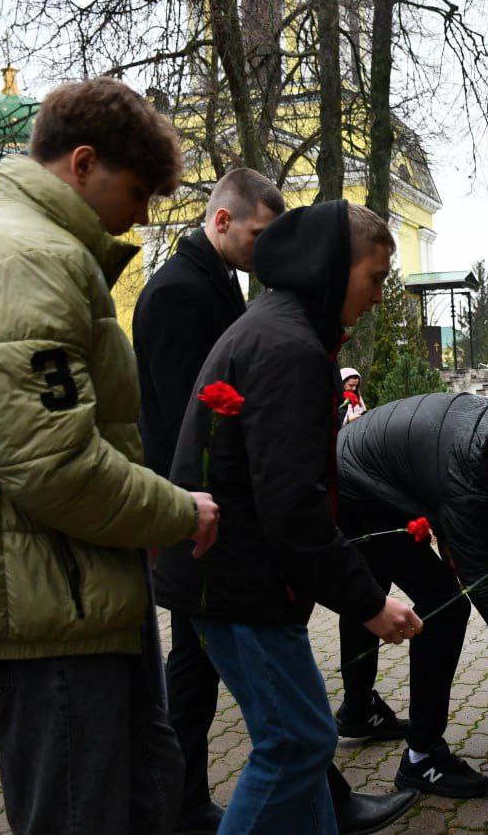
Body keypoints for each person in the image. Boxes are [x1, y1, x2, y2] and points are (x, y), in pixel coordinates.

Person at [0, 77, 220, 834]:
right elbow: (52, 464)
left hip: (50, 584)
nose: (142, 214)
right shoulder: (28, 260)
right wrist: (174, 508)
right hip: (45, 602)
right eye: (136, 191)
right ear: (84, 164)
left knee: (140, 783)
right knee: (79, 810)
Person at [136, 173, 414, 835]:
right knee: (295, 745)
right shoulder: (289, 348)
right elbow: (292, 505)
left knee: (304, 736)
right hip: (239, 578)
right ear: (334, 267)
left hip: (237, 575)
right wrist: (370, 603)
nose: (378, 296)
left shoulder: (281, 326)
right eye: (374, 278)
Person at [336, 395, 488, 798]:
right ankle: (422, 758)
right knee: (445, 607)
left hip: (371, 469)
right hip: (356, 491)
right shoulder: (471, 484)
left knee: (370, 589)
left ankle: (359, 711)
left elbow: (441, 474)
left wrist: (450, 534)